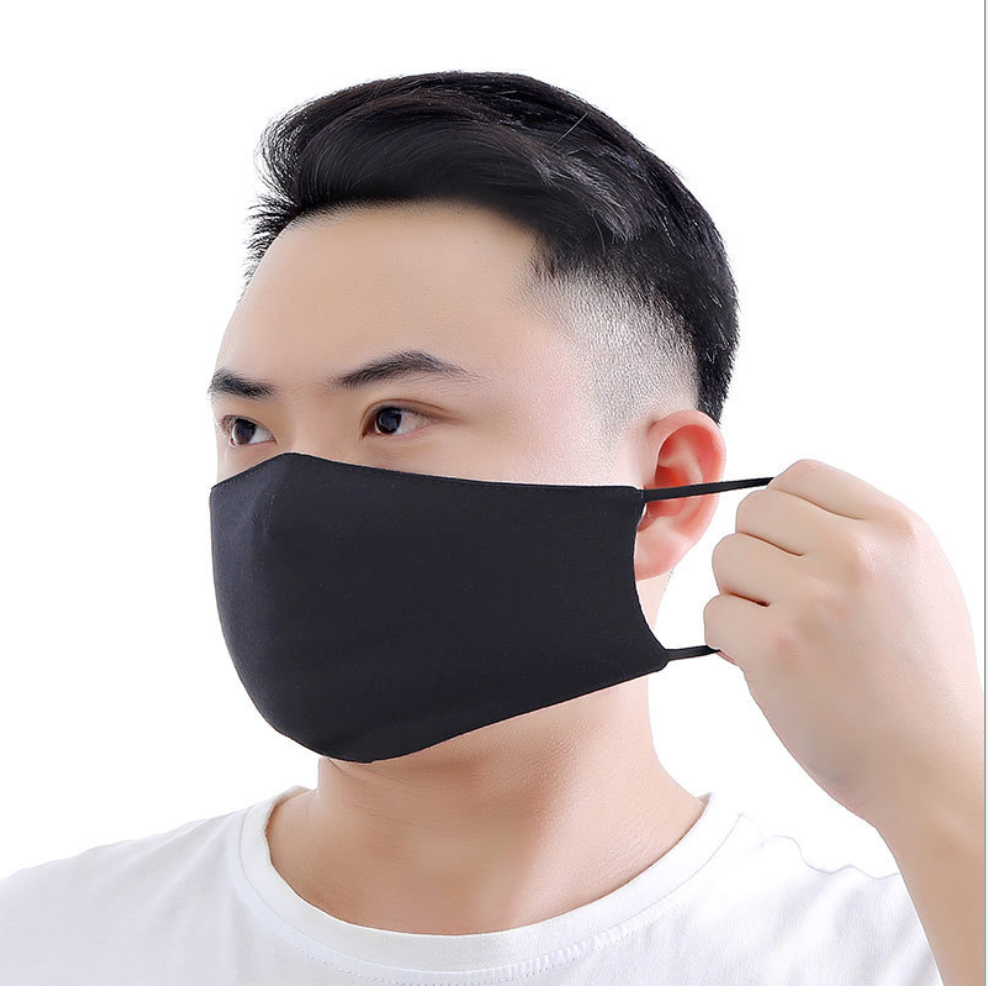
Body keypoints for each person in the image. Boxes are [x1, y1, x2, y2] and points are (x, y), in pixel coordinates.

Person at [0, 70, 954, 984]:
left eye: (391, 417)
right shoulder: (37, 946)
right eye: (248, 429)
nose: (286, 504)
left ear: (664, 493)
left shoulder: (921, 951)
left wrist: (939, 791)